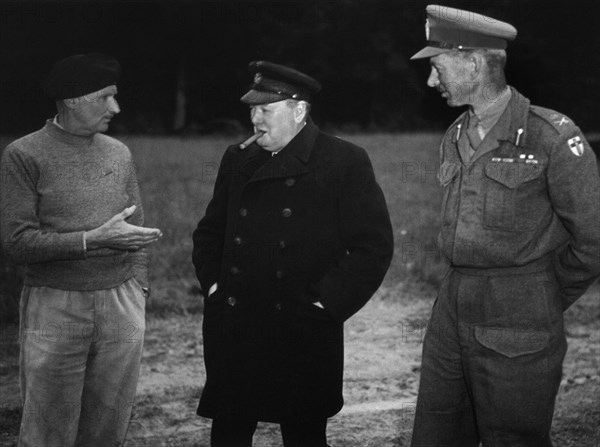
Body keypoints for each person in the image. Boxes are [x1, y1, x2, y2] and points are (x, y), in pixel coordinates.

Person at [409, 5, 600, 447]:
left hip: (518, 314)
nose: (431, 81)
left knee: (513, 438)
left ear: (473, 63)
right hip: (451, 309)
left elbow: (594, 238)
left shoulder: (549, 136)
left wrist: (542, 294)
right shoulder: (456, 134)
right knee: (436, 433)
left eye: (437, 68)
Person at [192, 60, 394, 447]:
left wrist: (326, 304)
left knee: (303, 435)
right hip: (237, 324)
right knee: (229, 432)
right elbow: (210, 232)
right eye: (252, 109)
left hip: (302, 329)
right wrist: (215, 285)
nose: (255, 119)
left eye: (266, 110)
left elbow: (372, 246)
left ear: (298, 110)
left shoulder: (343, 161)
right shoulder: (238, 159)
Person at [0, 53, 162, 446]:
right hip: (56, 303)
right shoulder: (23, 155)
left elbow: (136, 227)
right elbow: (17, 244)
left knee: (107, 425)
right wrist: (92, 240)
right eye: (106, 97)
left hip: (121, 301)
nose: (116, 108)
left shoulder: (118, 152)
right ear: (74, 99)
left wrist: (137, 290)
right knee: (48, 429)